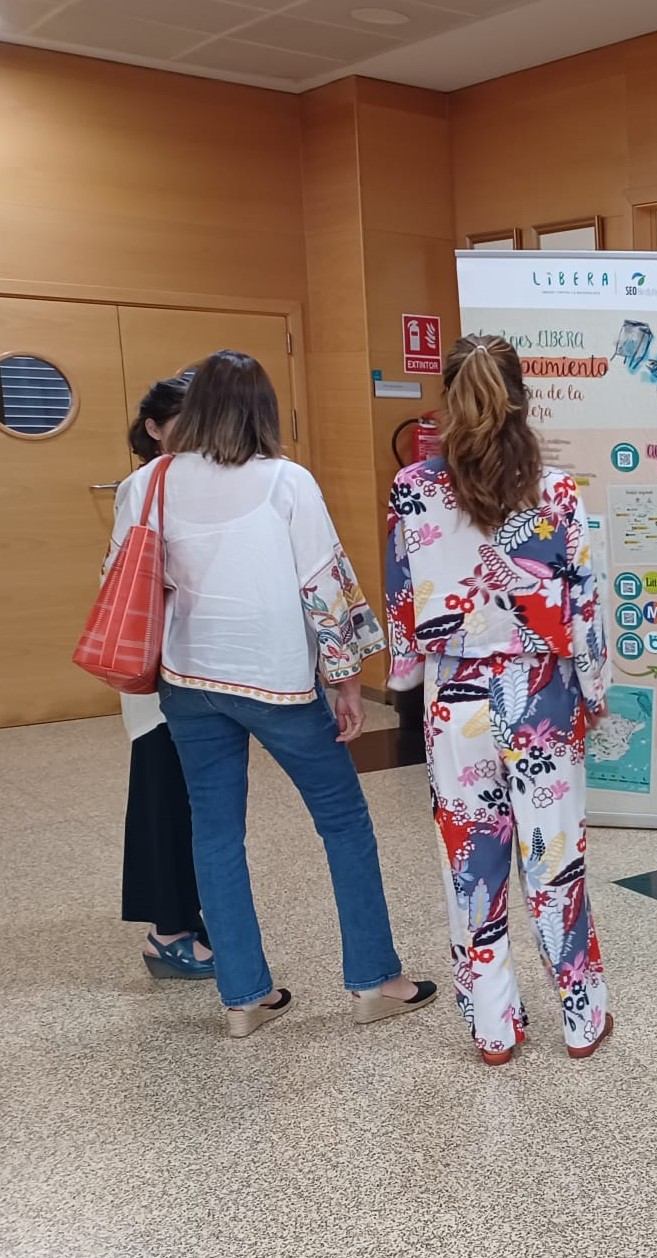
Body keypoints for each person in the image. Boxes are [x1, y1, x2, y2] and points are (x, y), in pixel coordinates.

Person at [115, 350, 435, 1038]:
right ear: (261, 410)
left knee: (216, 833)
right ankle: (376, 980)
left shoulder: (150, 482)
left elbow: (124, 575)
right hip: (279, 681)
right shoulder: (286, 481)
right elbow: (323, 589)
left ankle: (243, 998)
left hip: (188, 681)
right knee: (343, 823)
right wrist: (347, 682)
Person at [385, 335, 614, 1066]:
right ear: (521, 395)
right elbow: (585, 603)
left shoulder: (413, 488)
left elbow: (401, 596)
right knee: (554, 857)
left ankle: (494, 1028)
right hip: (540, 689)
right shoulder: (557, 490)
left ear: (448, 401)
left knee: (471, 860)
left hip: (456, 695)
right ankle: (579, 1018)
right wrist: (596, 685)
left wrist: (402, 676)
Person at [120, 373, 211, 980]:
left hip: (195, 664)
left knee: (189, 796)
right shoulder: (143, 484)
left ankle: (185, 919)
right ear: (153, 429)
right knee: (162, 793)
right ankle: (168, 932)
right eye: (182, 423)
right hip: (157, 661)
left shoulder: (196, 481)